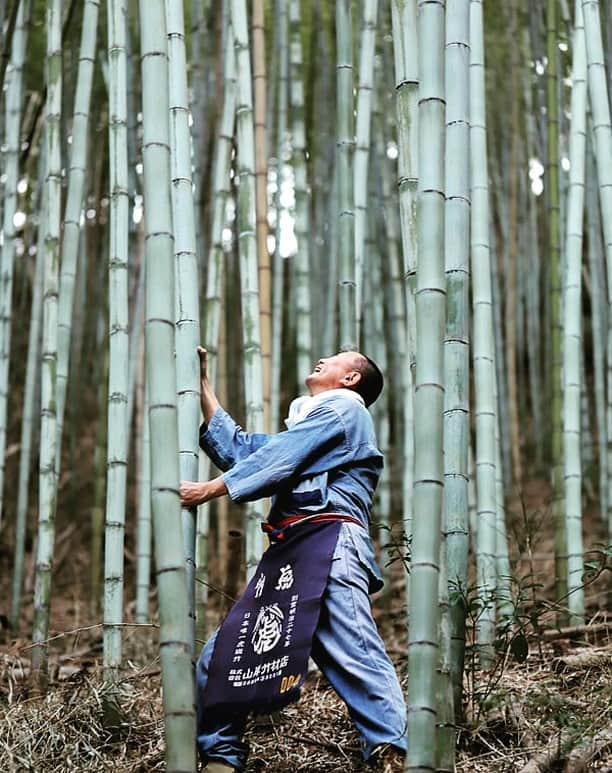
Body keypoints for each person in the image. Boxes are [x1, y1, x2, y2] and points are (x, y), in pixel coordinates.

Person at [180, 347, 407, 772]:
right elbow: (249, 452)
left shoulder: (345, 412)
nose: (323, 359)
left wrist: (208, 490)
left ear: (351, 379)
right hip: (292, 551)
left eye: (336, 358)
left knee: (354, 651)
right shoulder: (311, 425)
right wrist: (202, 387)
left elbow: (276, 461)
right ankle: (221, 757)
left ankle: (393, 753)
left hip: (332, 540)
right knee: (224, 654)